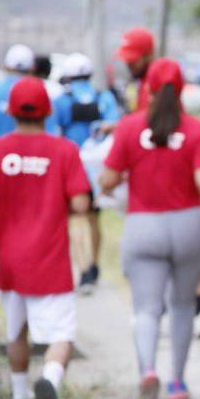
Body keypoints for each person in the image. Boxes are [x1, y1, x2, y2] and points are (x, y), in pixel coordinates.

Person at [99, 58, 200, 399]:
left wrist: (123, 178)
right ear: (182, 89)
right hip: (189, 225)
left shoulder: (129, 127)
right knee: (183, 305)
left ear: (147, 89)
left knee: (147, 309)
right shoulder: (196, 130)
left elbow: (107, 180)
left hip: (144, 226)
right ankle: (178, 382)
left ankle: (147, 371)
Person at [0, 77, 92, 399]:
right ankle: (50, 381)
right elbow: (82, 203)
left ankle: (19, 397)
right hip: (50, 260)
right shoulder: (65, 151)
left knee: (16, 328)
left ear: (9, 111)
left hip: (8, 259)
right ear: (48, 111)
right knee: (62, 335)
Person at [53, 53, 121, 293]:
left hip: (72, 170)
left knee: (76, 218)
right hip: (98, 171)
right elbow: (117, 125)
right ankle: (94, 265)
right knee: (94, 218)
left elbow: (54, 133)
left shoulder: (62, 101)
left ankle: (82, 269)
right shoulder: (104, 97)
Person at [0, 44, 57, 149]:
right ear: (33, 67)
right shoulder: (42, 93)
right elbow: (51, 135)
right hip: (35, 161)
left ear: (6, 66)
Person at [116, 28, 157, 111]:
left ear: (148, 56)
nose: (128, 64)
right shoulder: (140, 82)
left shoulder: (157, 86)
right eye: (127, 59)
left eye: (133, 60)